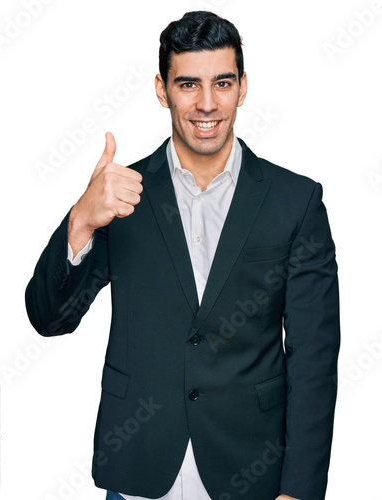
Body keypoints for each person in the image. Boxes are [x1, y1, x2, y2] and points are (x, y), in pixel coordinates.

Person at [25, 10, 340, 500]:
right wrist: (81, 218)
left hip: (252, 471)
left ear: (243, 87)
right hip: (139, 467)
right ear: (161, 89)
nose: (207, 103)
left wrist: (299, 490)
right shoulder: (121, 196)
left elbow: (314, 361)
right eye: (188, 84)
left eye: (223, 82)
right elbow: (49, 318)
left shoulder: (295, 201)